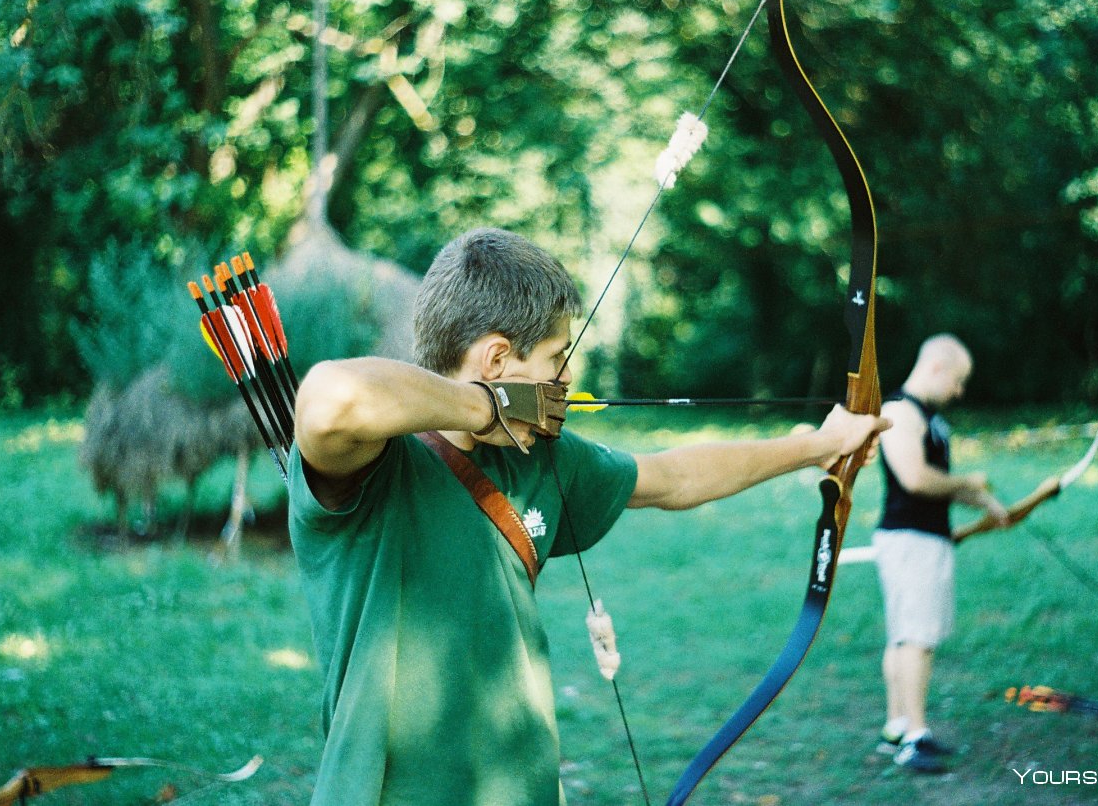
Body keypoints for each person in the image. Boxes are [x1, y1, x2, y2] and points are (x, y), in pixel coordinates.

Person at [290, 227, 889, 806]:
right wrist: (486, 406)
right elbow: (330, 396)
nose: (567, 379)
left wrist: (817, 447)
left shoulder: (539, 462)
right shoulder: (375, 467)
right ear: (498, 358)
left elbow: (673, 477)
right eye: (556, 358)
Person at [873, 333, 1008, 773]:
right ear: (936, 366)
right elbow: (915, 478)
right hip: (910, 540)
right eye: (958, 379)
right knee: (917, 637)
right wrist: (969, 482)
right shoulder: (898, 412)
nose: (959, 391)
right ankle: (915, 736)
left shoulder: (928, 417)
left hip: (924, 537)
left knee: (905, 634)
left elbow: (936, 484)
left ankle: (896, 728)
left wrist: (983, 504)